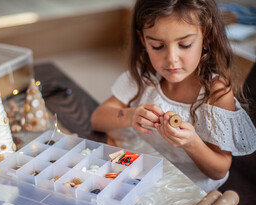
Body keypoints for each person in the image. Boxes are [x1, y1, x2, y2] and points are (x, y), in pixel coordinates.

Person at [91, 0, 256, 192]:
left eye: (185, 45)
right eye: (158, 46)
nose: (171, 58)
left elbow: (219, 170)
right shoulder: (143, 78)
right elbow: (98, 119)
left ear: (207, 38)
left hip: (189, 189)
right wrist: (130, 115)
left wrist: (191, 142)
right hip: (146, 173)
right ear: (143, 40)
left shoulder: (216, 92)